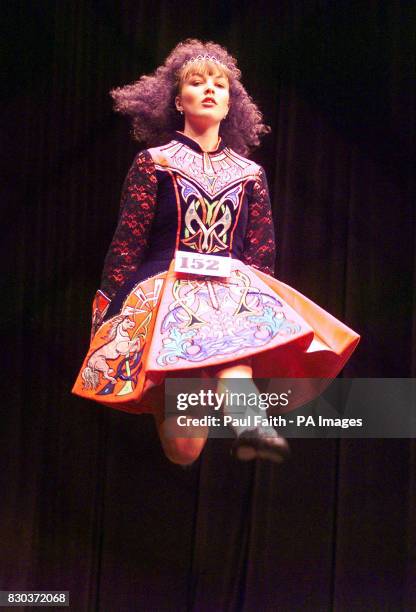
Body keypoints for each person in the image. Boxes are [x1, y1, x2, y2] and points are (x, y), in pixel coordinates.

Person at [72, 39, 360, 465]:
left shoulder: (249, 174)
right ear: (177, 101)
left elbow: (260, 253)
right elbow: (127, 244)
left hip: (228, 288)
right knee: (185, 452)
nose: (209, 89)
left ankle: (250, 427)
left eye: (219, 85)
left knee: (236, 369)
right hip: (166, 293)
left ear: (230, 106)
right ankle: (174, 384)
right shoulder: (155, 163)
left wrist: (263, 311)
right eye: (197, 82)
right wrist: (107, 312)